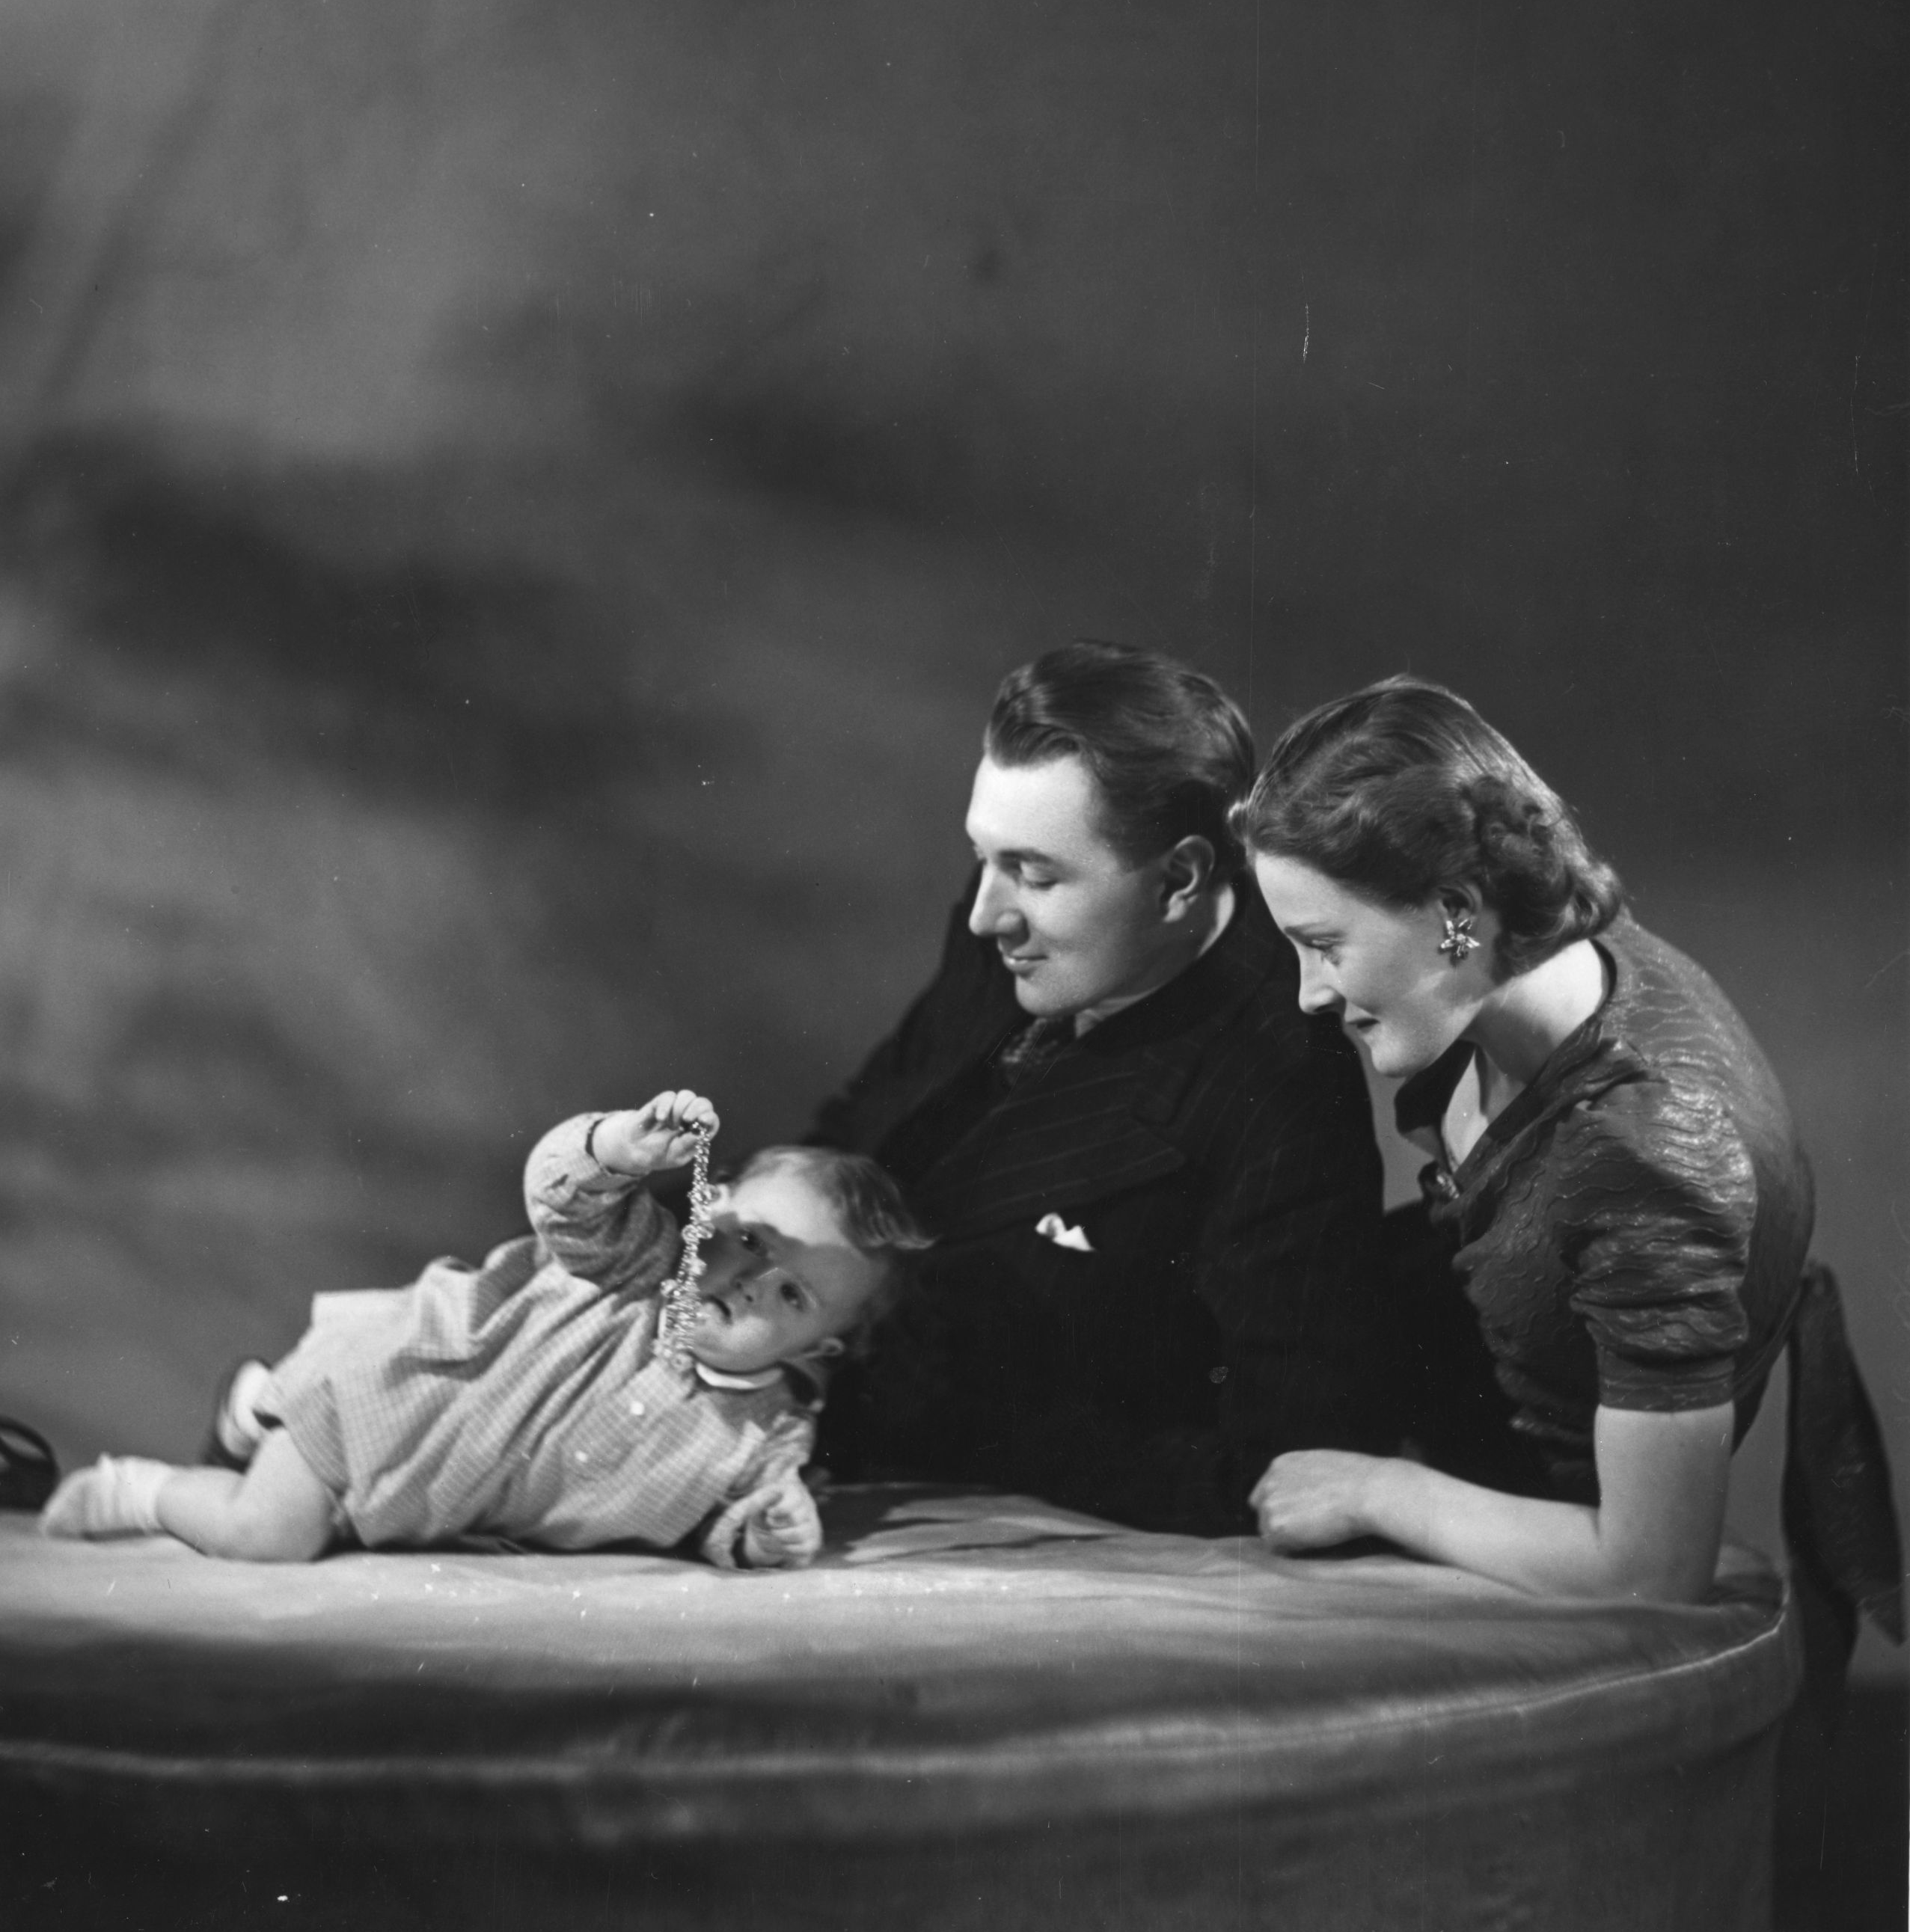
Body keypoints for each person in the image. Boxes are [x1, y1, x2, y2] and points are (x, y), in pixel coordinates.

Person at [1237, 675, 1901, 1657]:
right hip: (1425, 1370)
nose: (1309, 991)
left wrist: (1378, 1490)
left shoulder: (1648, 1145)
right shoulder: (1538, 963)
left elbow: (1651, 1565)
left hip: (1507, 1515)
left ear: (1457, 909)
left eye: (1323, 944)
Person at [812, 640, 1393, 1534]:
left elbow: (1284, 1460)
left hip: (977, 1513)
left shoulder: (1280, 1088)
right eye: (986, 858)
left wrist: (979, 1430)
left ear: (1181, 879)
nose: (985, 915)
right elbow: (873, 1128)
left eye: (1037, 874)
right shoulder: (1012, 918)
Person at [41, 1095, 931, 1568]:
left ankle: (252, 1413)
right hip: (392, 1395)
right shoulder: (636, 1267)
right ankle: (144, 1489)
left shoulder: (766, 1438)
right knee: (265, 1535)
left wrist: (767, 1533)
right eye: (746, 1240)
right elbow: (562, 1193)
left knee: (336, 1526)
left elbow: (724, 1520)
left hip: (432, 1501)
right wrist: (619, 1147)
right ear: (710, 1206)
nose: (748, 1283)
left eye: (793, 1294)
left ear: (817, 1350)